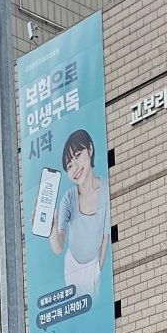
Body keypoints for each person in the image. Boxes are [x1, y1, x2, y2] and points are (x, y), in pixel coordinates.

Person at [48, 127, 111, 297]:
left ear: (90, 150)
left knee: (96, 307)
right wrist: (51, 230)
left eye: (77, 156)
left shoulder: (106, 190)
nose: (75, 167)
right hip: (72, 266)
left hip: (94, 265)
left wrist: (98, 269)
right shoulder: (68, 199)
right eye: (69, 165)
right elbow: (58, 246)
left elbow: (106, 236)